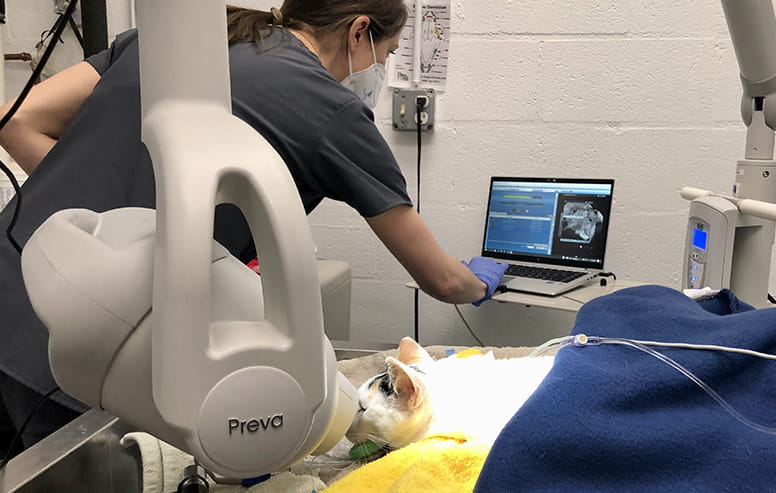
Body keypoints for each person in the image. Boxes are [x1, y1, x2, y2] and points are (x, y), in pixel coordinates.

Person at [0, 0, 508, 458]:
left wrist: (105, 219)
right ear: (359, 32)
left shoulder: (197, 35)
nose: (380, 70)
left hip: (13, 273)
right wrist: (481, 281)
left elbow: (15, 121)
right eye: (388, 52)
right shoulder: (332, 110)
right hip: (77, 349)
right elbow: (441, 281)